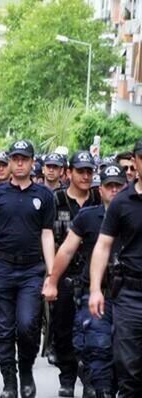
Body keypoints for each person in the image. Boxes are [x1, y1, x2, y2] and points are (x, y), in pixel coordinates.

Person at [0, 140, 55, 398]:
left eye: (24, 159)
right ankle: (10, 382)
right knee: (3, 328)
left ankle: (26, 371)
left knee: (27, 324)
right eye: (15, 158)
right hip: (3, 267)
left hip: (32, 270)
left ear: (31, 162)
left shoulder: (43, 195)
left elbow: (47, 235)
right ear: (9, 161)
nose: (19, 163)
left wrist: (51, 275)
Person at [43, 163, 126, 398]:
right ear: (101, 189)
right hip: (94, 291)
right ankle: (99, 389)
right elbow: (67, 250)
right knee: (96, 347)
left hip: (127, 293)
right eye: (109, 186)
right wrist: (52, 280)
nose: (114, 191)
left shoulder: (134, 213)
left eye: (118, 186)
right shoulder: (88, 216)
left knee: (124, 352)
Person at [88, 139, 142, 397]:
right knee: (128, 367)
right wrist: (96, 288)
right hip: (130, 293)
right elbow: (102, 246)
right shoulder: (122, 201)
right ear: (135, 160)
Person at [49, 150, 99, 397]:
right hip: (63, 272)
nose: (86, 176)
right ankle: (67, 377)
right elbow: (46, 236)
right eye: (81, 171)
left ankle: (90, 378)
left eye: (90, 171)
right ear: (69, 173)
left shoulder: (100, 199)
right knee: (63, 328)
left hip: (93, 274)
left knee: (93, 331)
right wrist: (50, 276)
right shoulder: (55, 199)